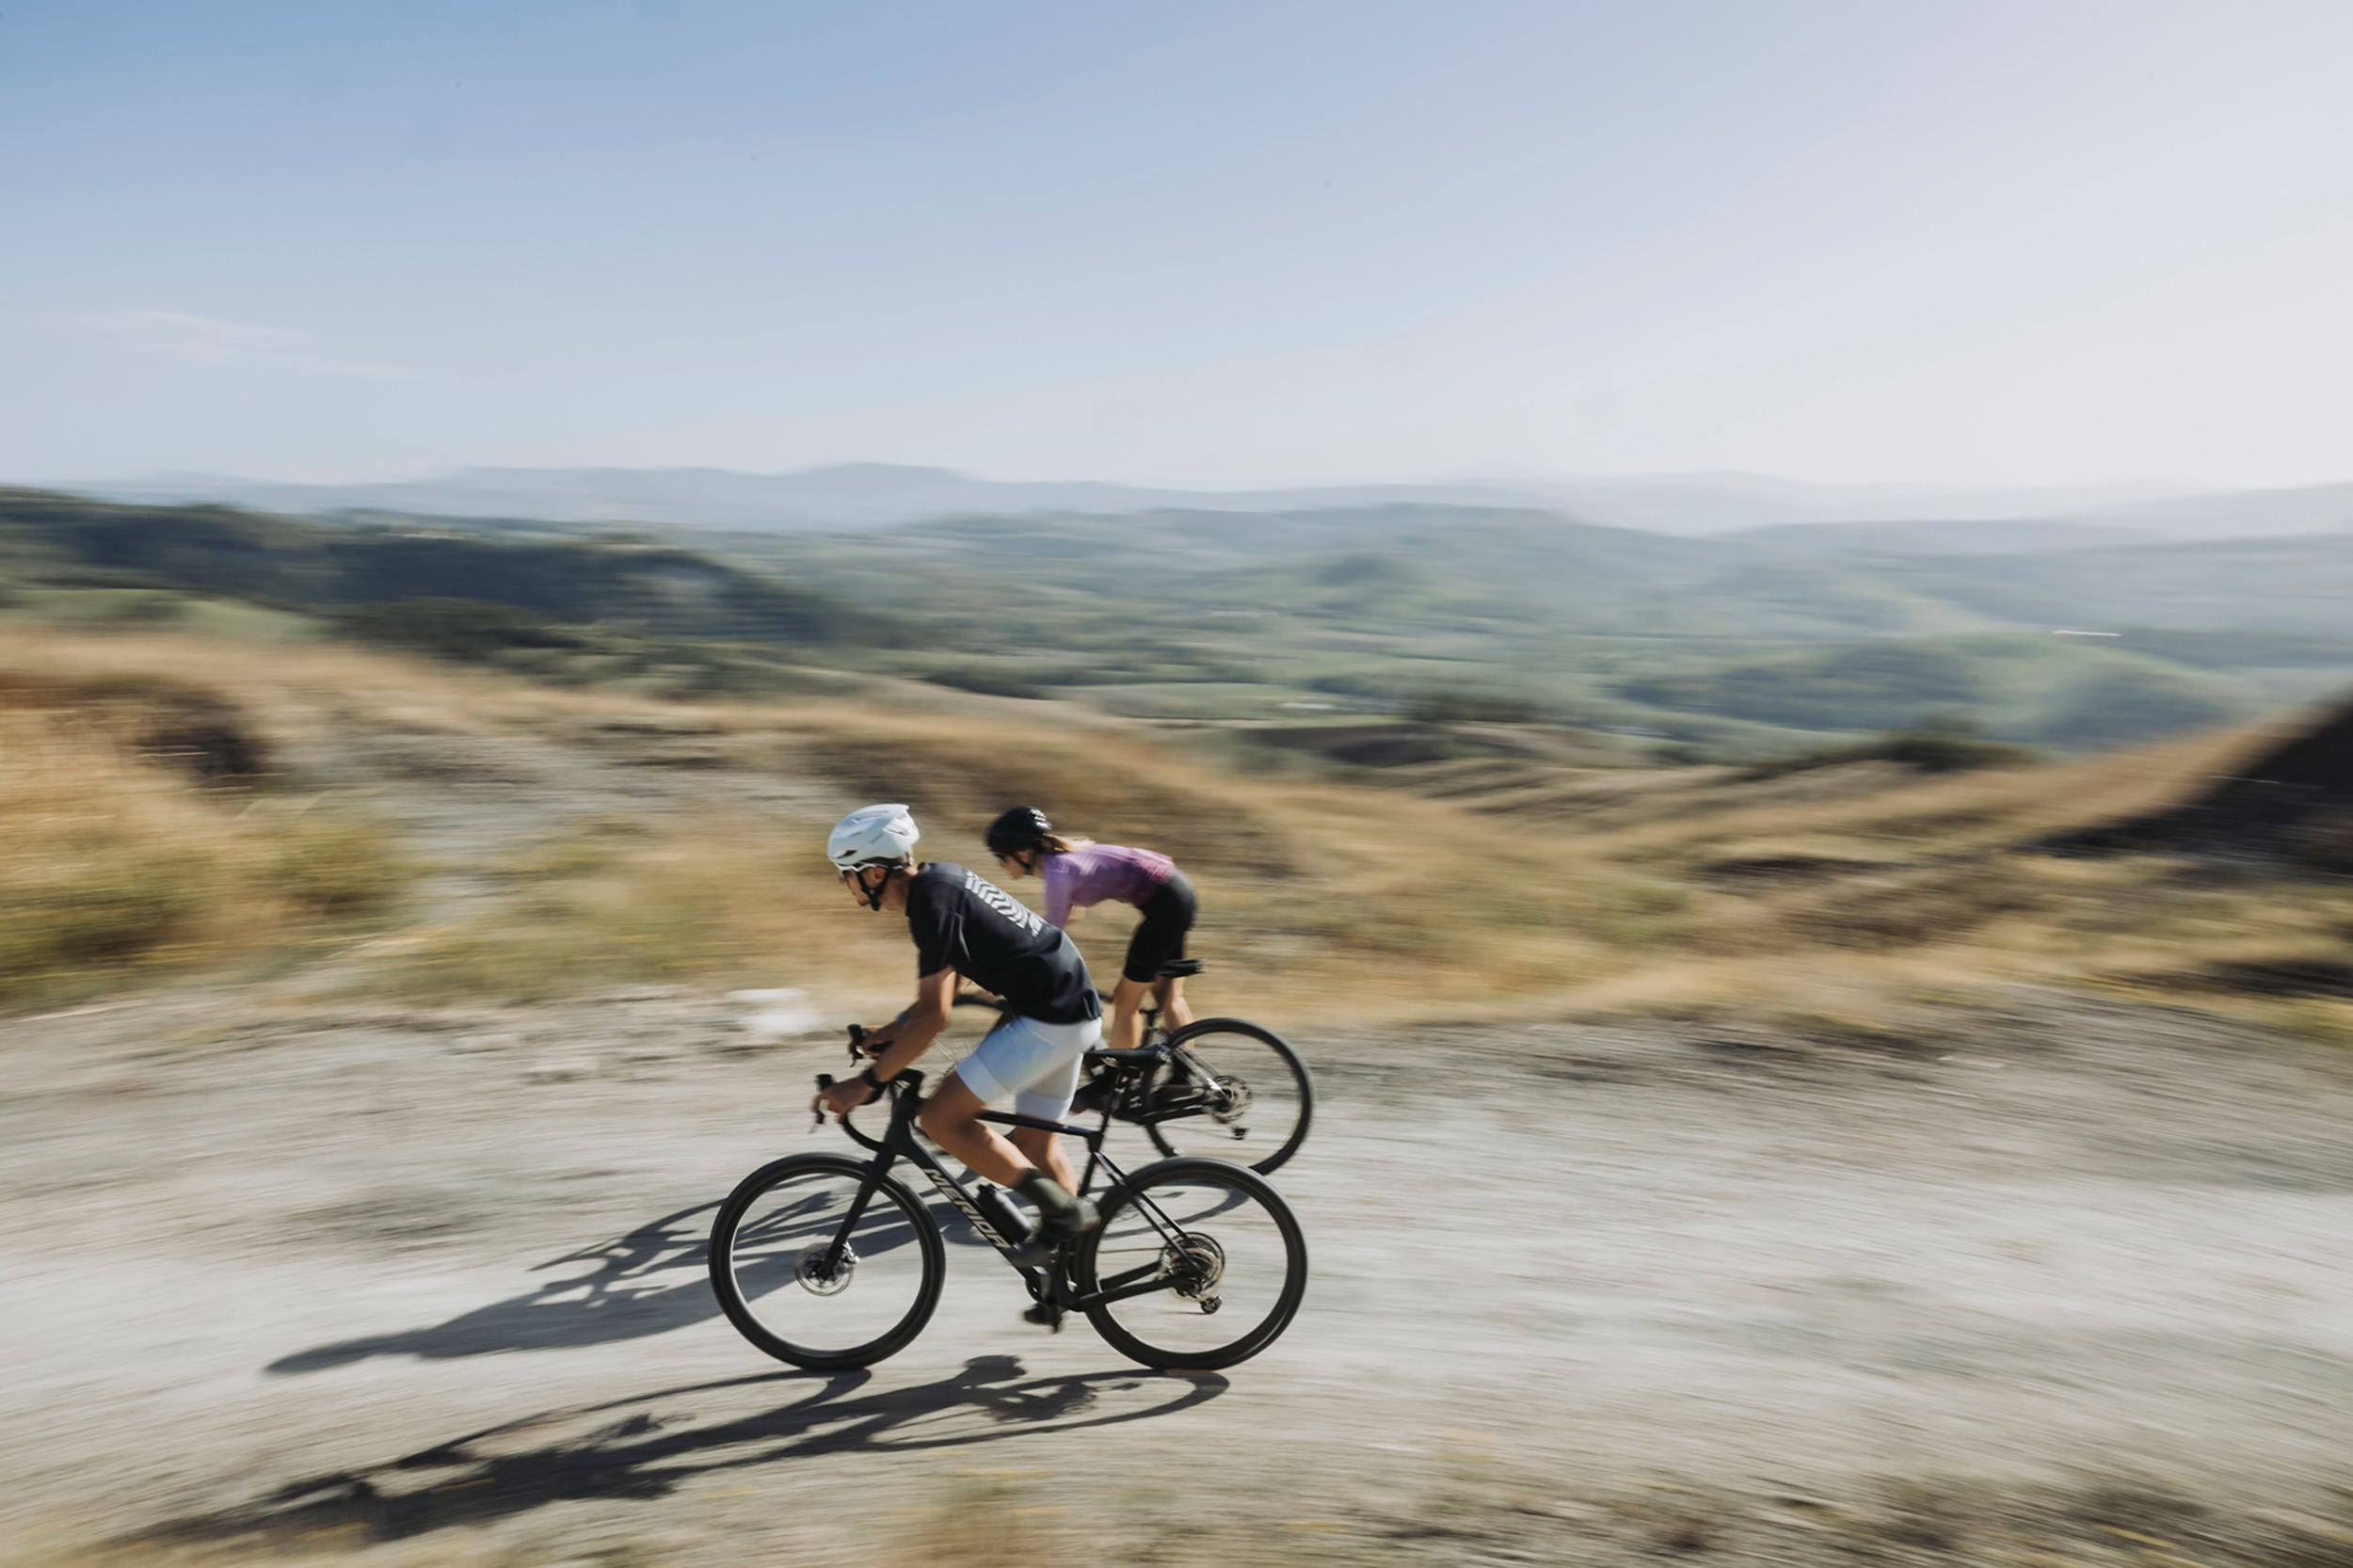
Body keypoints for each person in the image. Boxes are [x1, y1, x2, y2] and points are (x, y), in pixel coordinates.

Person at [812, 803, 1099, 1267]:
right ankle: (1070, 1275)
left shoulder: (929, 904)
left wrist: (867, 1082)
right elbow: (948, 985)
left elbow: (935, 1018)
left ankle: (1065, 1212)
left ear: (871, 873)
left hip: (1051, 1018)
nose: (843, 883)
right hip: (1070, 1008)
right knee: (1036, 1148)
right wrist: (893, 1030)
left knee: (941, 1120)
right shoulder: (940, 880)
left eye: (845, 873)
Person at [984, 806, 1196, 1054]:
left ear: (1021, 854)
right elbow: (1066, 918)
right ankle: (1185, 1077)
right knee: (1168, 996)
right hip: (1177, 892)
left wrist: (1008, 964)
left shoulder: (1058, 875)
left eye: (1001, 858)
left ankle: (1118, 1079)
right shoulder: (1060, 864)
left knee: (1126, 1001)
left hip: (1165, 905)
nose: (1000, 866)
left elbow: (1048, 935)